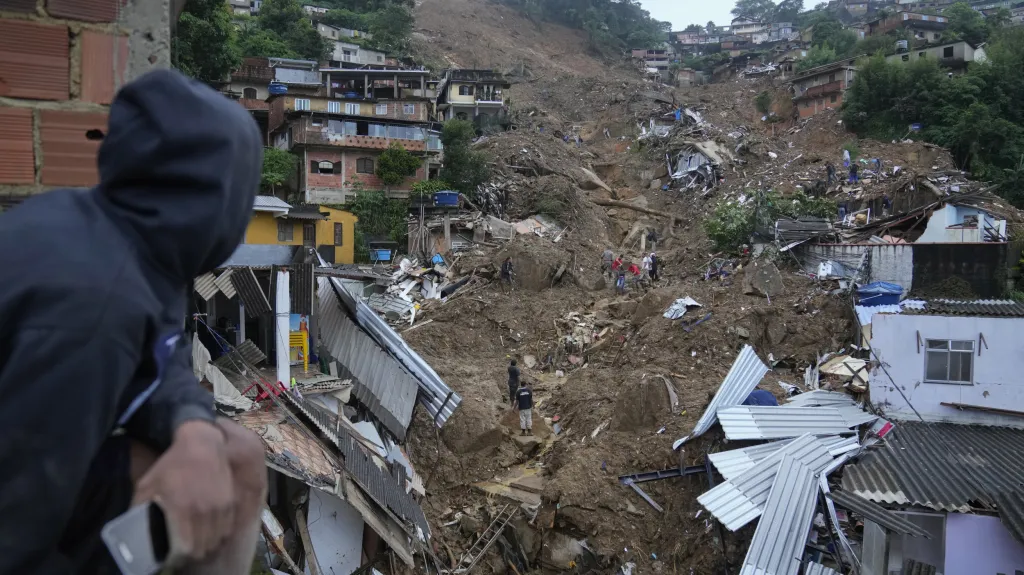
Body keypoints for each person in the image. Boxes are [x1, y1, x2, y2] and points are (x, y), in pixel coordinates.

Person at [0, 69, 268, 573]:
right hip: (23, 512)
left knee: (235, 455)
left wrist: (192, 427)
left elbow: (163, 356)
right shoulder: (92, 314)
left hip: (40, 462)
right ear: (219, 199)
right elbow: (15, 532)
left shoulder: (124, 235)